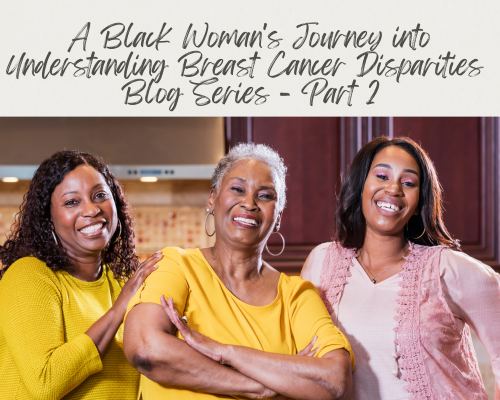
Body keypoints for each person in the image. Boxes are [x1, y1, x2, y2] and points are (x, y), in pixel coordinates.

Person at [123, 143, 355, 400]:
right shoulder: (175, 265)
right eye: (237, 189)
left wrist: (226, 352)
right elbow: (145, 349)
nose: (250, 203)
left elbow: (335, 381)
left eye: (266, 195)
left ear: (278, 216)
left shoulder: (297, 296)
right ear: (213, 198)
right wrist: (265, 386)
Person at [301, 137, 500, 400]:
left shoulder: (449, 269)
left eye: (408, 183)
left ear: (418, 204)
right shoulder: (321, 262)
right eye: (382, 176)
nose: (393, 188)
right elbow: (301, 361)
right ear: (361, 186)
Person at [0, 150, 162, 400]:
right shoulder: (29, 275)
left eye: (99, 195)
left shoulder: (121, 281)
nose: (92, 209)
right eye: (72, 202)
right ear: (48, 217)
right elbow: (45, 382)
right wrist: (119, 310)